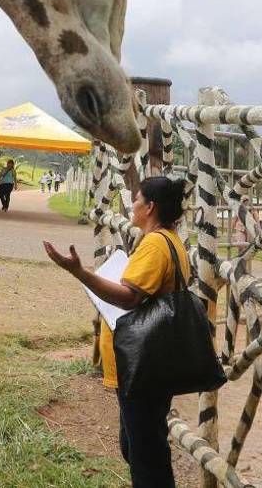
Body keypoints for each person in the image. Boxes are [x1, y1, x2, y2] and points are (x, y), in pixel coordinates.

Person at [42, 176, 190, 487]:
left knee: (146, 457)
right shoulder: (170, 240)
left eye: (136, 200)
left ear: (149, 207)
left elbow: (129, 296)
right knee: (136, 446)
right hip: (151, 362)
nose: (132, 205)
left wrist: (79, 272)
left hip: (144, 364)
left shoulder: (155, 244)